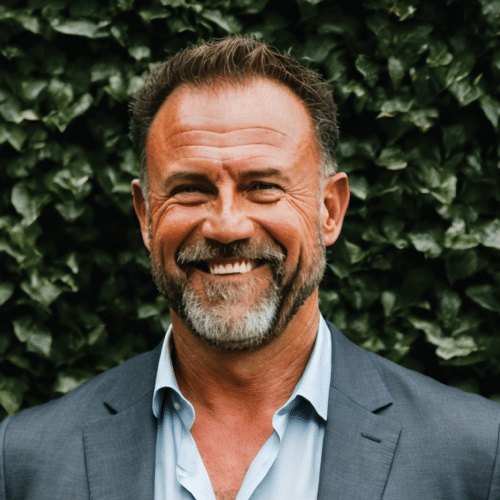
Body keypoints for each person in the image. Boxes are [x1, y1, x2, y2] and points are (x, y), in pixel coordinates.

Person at [0, 36, 499, 500]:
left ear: (330, 210)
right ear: (146, 215)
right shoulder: (24, 461)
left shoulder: (475, 455)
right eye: (190, 188)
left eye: (263, 186)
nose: (226, 226)